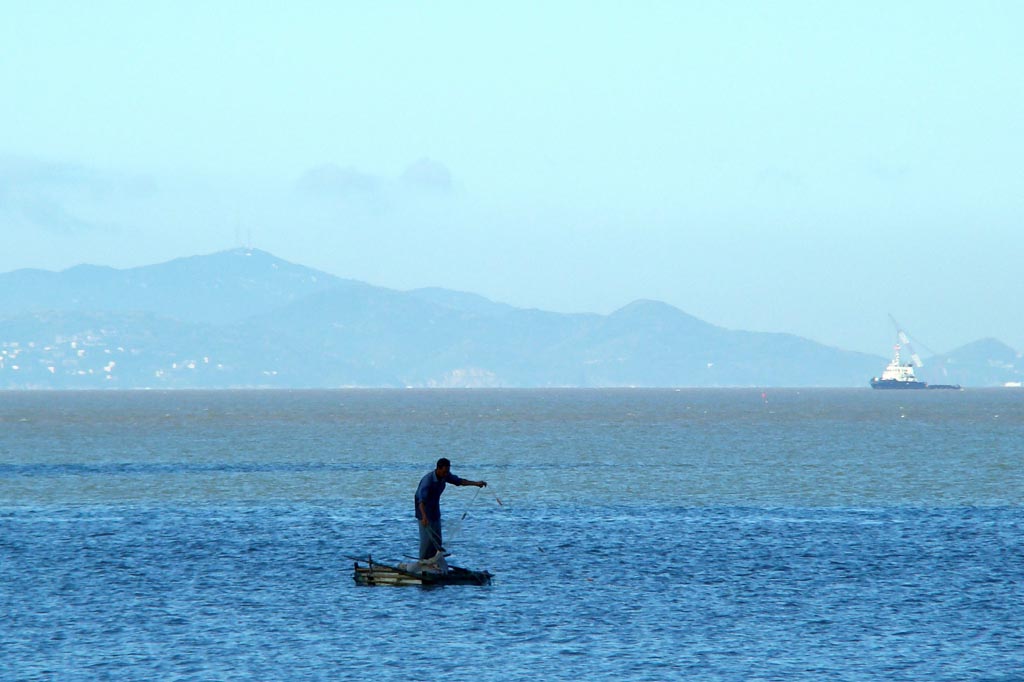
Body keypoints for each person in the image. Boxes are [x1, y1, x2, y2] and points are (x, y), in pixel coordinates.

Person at [415, 457, 486, 560]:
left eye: (447, 471)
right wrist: (424, 517)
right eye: (444, 472)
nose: (446, 474)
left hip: (434, 512)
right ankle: (423, 562)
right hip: (423, 513)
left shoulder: (444, 475)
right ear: (438, 469)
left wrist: (476, 483)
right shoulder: (428, 481)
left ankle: (434, 562)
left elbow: (459, 481)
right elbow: (420, 501)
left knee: (437, 541)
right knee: (427, 541)